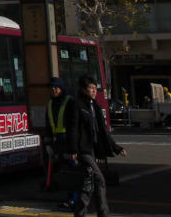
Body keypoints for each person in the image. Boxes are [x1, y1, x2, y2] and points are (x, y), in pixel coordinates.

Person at [66, 76, 126, 217]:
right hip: (83, 149)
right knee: (99, 179)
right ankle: (103, 213)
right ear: (82, 89)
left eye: (95, 88)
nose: (94, 91)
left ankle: (80, 213)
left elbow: (103, 131)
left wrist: (117, 148)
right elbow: (73, 128)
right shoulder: (76, 105)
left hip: (93, 148)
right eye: (91, 88)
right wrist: (73, 149)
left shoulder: (94, 105)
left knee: (88, 182)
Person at [46, 77, 77, 209]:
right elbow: (48, 124)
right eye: (51, 88)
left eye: (56, 87)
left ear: (61, 88)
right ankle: (70, 198)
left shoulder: (69, 102)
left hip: (68, 140)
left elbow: (73, 124)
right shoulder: (50, 104)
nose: (53, 90)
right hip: (57, 141)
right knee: (65, 171)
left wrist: (73, 146)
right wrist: (47, 143)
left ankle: (75, 198)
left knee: (73, 170)